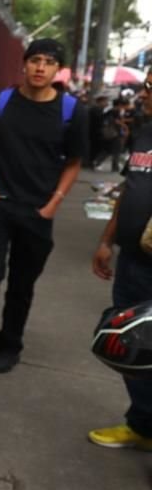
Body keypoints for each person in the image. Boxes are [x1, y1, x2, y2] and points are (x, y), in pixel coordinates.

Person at [0, 39, 88, 380]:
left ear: (58, 70)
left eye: (48, 62)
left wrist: (53, 203)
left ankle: (10, 345)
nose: (40, 67)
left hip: (38, 212)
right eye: (35, 60)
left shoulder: (71, 111)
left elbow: (74, 163)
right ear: (24, 65)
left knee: (21, 284)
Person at [90, 84, 152, 451]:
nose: (145, 94)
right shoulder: (145, 133)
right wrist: (106, 240)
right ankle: (142, 425)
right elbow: (130, 188)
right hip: (133, 260)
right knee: (132, 346)